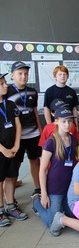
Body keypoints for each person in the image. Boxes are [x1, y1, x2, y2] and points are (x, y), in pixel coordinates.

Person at [33, 108, 78, 230]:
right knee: (52, 222)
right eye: (64, 121)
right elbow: (42, 169)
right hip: (55, 187)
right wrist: (43, 194)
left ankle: (61, 207)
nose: (67, 124)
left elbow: (74, 159)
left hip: (68, 185)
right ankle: (36, 202)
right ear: (56, 121)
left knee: (73, 215)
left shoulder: (73, 139)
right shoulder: (51, 142)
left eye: (69, 121)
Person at [7, 61, 42, 197]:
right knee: (15, 164)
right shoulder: (7, 92)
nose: (23, 76)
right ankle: (11, 196)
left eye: (26, 74)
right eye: (20, 73)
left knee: (35, 161)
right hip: (17, 137)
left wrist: (40, 130)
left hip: (33, 134)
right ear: (12, 75)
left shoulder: (32, 91)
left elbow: (34, 112)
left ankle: (37, 188)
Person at [0, 72, 25, 225]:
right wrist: (3, 150)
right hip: (1, 150)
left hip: (12, 148)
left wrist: (16, 145)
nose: (5, 86)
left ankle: (10, 205)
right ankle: (0, 210)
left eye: (4, 83)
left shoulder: (10, 104)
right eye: (2, 84)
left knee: (11, 177)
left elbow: (18, 125)